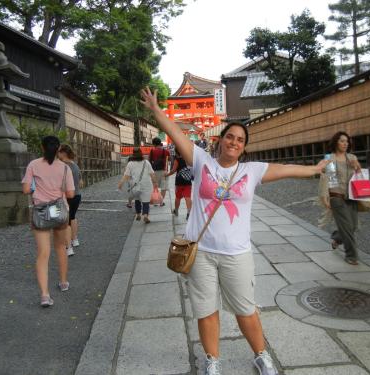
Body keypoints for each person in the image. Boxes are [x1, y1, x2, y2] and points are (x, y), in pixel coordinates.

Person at [140, 87, 329, 375]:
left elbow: (287, 168)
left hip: (236, 253)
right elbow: (175, 133)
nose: (234, 142)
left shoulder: (252, 171)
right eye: (230, 136)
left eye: (240, 140)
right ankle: (212, 360)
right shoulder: (201, 160)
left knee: (246, 309)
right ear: (221, 140)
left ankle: (261, 355)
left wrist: (314, 169)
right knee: (205, 310)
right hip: (200, 252)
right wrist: (155, 109)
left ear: (244, 147)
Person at [22, 136, 75, 308]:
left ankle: (45, 295)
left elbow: (25, 189)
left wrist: (37, 189)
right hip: (59, 211)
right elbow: (71, 194)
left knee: (43, 253)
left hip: (40, 212)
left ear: (42, 147)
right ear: (59, 148)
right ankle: (64, 282)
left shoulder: (33, 165)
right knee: (61, 247)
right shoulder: (65, 168)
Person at [318, 131, 361, 265]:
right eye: (342, 141)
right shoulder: (330, 158)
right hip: (337, 197)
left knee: (352, 226)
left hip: (352, 196)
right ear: (336, 142)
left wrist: (356, 166)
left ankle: (337, 238)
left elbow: (359, 175)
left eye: (347, 141)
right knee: (347, 228)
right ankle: (351, 255)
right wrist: (325, 196)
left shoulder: (352, 157)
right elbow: (328, 179)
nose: (345, 144)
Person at [118, 147, 158, 224]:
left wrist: (121, 183)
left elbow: (126, 175)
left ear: (133, 154)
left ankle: (138, 214)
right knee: (146, 201)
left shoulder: (130, 164)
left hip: (135, 185)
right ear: (141, 153)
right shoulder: (146, 162)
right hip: (146, 184)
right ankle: (145, 215)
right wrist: (155, 182)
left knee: (137, 199)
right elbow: (152, 173)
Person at [57, 144, 83, 257]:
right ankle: (75, 239)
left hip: (66, 196)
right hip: (77, 195)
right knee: (72, 217)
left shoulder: (63, 166)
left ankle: (69, 247)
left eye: (58, 152)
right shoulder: (75, 165)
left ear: (63, 153)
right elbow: (81, 182)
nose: (57, 154)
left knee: (65, 222)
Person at [166, 149, 193, 220]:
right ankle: (189, 213)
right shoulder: (188, 159)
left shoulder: (177, 160)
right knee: (188, 197)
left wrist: (167, 175)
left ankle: (176, 211)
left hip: (179, 182)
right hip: (188, 181)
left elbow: (173, 170)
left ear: (176, 153)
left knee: (178, 197)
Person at [149, 137, 170, 206]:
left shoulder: (152, 151)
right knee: (163, 187)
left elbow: (150, 161)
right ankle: (161, 202)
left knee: (155, 186)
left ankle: (155, 201)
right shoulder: (166, 151)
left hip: (154, 171)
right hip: (164, 171)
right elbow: (169, 160)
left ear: (154, 144)